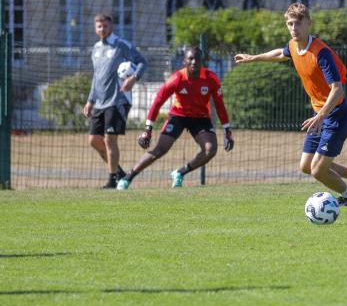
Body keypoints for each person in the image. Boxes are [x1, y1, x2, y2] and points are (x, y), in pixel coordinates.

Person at [233, 3, 347, 206]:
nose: (293, 28)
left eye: (298, 23)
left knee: (318, 170)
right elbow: (281, 54)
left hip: (335, 115)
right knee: (306, 166)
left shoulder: (320, 53)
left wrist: (321, 115)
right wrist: (253, 58)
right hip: (320, 115)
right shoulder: (293, 45)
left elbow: (338, 89)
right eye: (290, 23)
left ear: (309, 23)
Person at [117, 47, 234, 190]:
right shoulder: (177, 78)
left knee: (210, 150)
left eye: (197, 59)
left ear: (202, 61)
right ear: (184, 61)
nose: (194, 62)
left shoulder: (211, 78)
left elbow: (220, 105)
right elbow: (158, 102)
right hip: (178, 116)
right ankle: (127, 178)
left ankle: (180, 173)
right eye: (190, 59)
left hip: (201, 118)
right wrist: (148, 129)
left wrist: (227, 131)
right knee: (160, 150)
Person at [82, 13, 146, 189]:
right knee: (94, 140)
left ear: (112, 27)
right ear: (95, 29)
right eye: (99, 26)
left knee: (110, 140)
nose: (102, 29)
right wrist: (90, 101)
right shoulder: (95, 49)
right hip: (100, 102)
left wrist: (134, 78)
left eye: (105, 26)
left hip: (118, 100)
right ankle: (119, 172)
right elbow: (97, 77)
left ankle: (112, 179)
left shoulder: (121, 44)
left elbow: (141, 61)